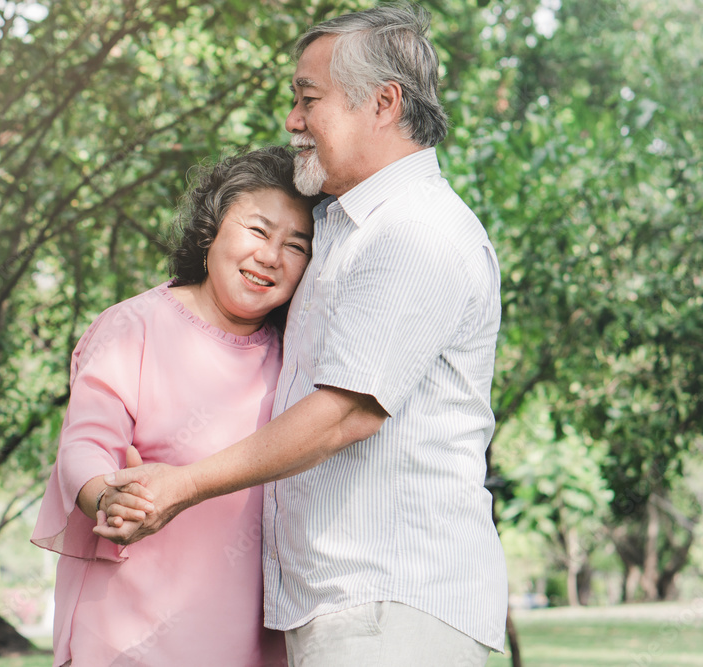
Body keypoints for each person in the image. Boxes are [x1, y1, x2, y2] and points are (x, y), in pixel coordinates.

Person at [97, 4, 507, 665]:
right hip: (340, 609)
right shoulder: (341, 229)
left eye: (306, 98)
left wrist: (182, 484)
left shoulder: (416, 231)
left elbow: (342, 414)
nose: (291, 120)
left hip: (391, 606)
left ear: (383, 102)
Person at [30, 146, 318, 666]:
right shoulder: (132, 326)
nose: (270, 257)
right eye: (257, 231)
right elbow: (85, 445)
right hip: (130, 635)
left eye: (295, 246)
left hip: (252, 639)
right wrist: (108, 499)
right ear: (211, 228)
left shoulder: (297, 357)